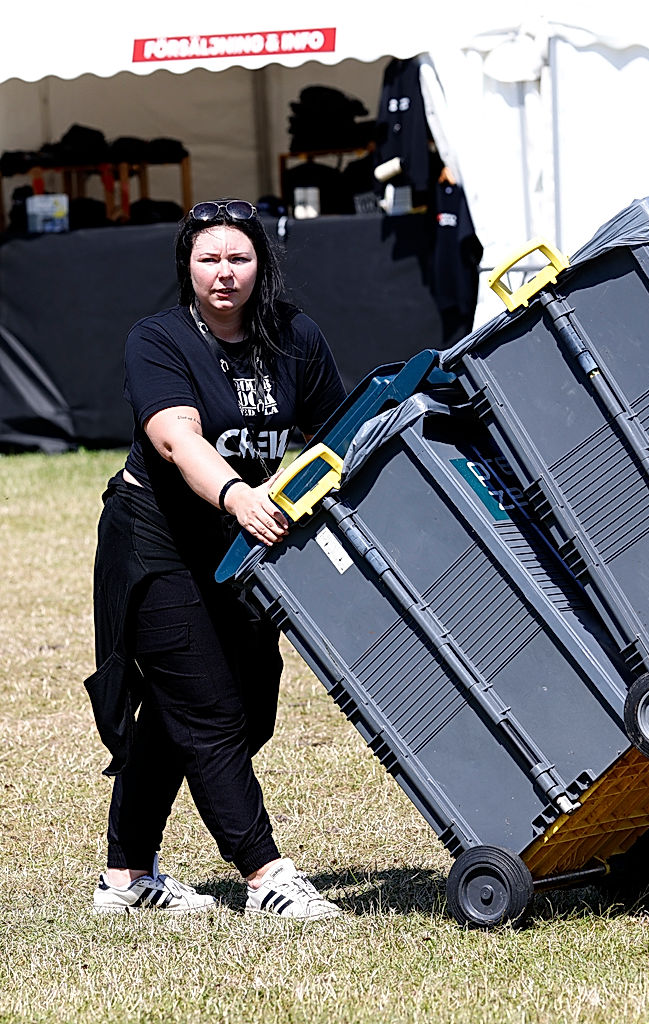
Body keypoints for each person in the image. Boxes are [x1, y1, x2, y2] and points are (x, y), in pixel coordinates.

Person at [84, 198, 348, 918]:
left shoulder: (293, 336)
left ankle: (125, 877)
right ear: (188, 267)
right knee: (208, 712)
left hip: (238, 549)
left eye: (238, 257)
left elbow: (337, 432)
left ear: (261, 264)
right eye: (209, 259)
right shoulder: (159, 339)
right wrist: (236, 495)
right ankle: (266, 877)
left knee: (246, 711)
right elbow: (178, 438)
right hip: (158, 541)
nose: (224, 273)